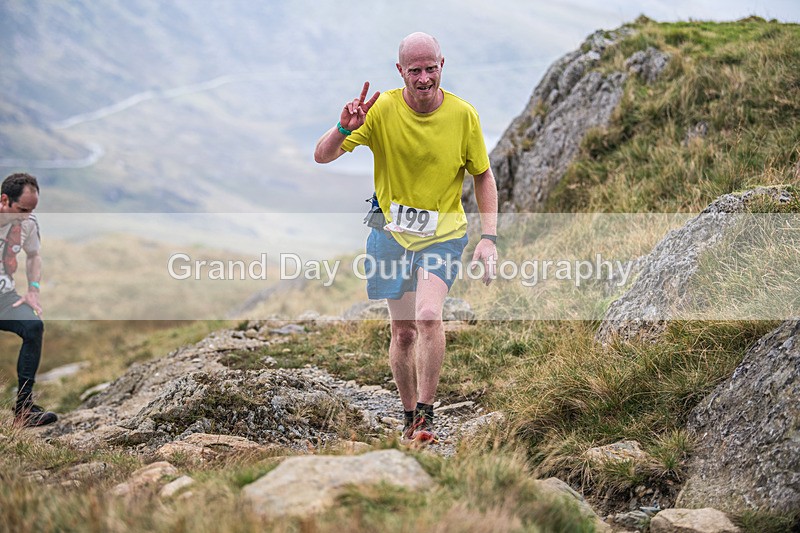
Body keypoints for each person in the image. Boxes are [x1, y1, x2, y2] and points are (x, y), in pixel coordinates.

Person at [314, 32, 498, 444]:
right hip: (390, 233)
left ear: (442, 65)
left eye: (430, 68)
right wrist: (344, 126)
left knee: (429, 316)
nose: (423, 78)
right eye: (414, 70)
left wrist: (489, 237)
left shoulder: (463, 115)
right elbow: (322, 155)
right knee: (403, 333)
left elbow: (482, 174)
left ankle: (427, 419)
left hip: (443, 235)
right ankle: (409, 414)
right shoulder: (379, 111)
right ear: (400, 71)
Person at [0, 173, 57, 427]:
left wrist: (33, 289)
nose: (26, 216)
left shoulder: (28, 223)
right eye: (22, 209)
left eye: (31, 210)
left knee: (34, 326)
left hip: (4, 297)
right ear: (4, 200)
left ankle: (24, 410)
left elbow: (33, 255)